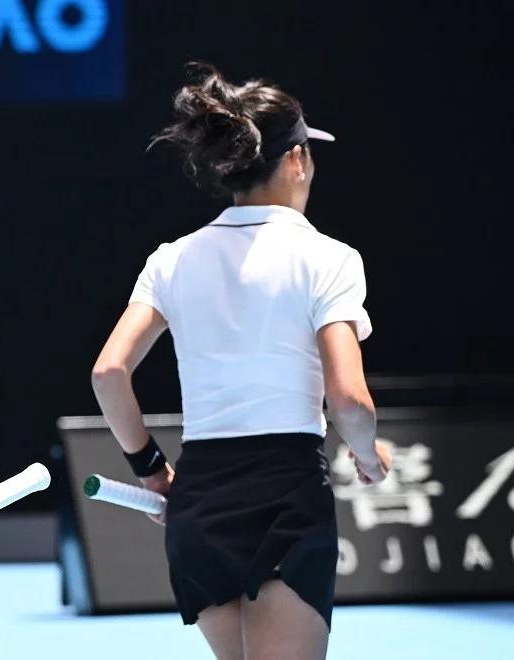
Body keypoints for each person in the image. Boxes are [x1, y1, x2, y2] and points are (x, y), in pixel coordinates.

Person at [90, 63, 391, 660]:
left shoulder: (172, 259)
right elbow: (350, 400)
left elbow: (108, 373)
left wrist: (153, 470)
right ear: (298, 159)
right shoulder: (329, 258)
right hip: (286, 493)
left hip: (199, 500)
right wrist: (367, 454)